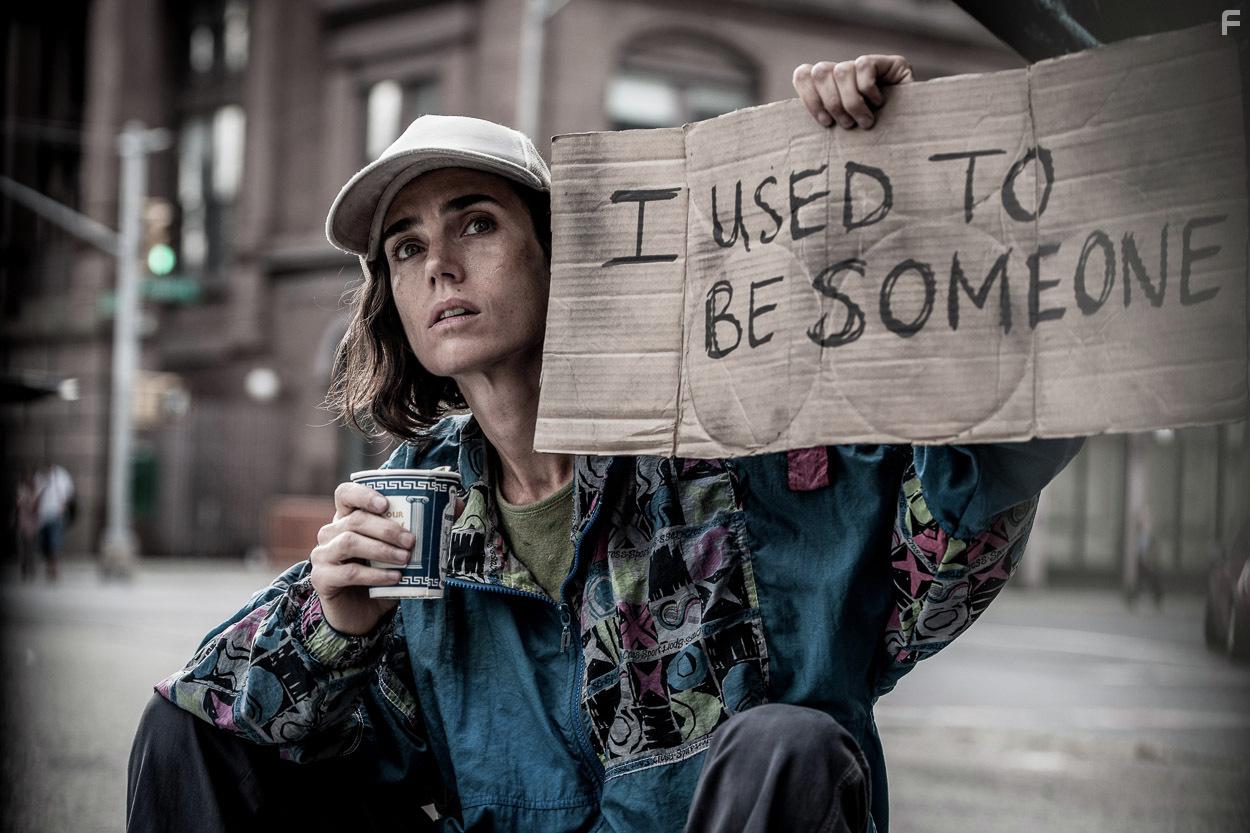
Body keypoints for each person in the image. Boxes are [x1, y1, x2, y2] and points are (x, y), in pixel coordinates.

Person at [128, 55, 1082, 833]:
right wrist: (332, 630)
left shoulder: (725, 455)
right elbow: (239, 728)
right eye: (407, 247)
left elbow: (943, 554)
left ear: (563, 252)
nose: (441, 264)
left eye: (477, 223)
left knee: (787, 742)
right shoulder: (414, 506)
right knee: (189, 730)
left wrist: (899, 175)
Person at [33, 462, 74, 581]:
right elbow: (36, 496)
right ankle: (49, 566)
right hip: (42, 516)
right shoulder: (40, 476)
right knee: (44, 544)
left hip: (56, 515)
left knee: (54, 542)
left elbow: (68, 493)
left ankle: (54, 568)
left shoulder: (61, 476)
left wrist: (63, 506)